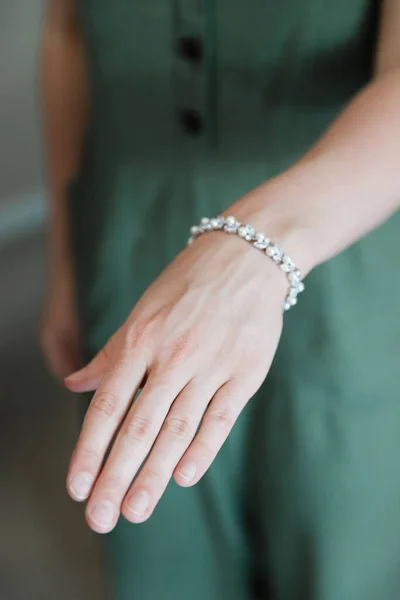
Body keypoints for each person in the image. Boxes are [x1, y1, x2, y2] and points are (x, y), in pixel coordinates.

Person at [40, 1, 400, 599]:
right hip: (127, 241)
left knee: (340, 550)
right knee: (163, 543)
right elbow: (65, 35)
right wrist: (66, 256)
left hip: (341, 251)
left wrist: (252, 249)